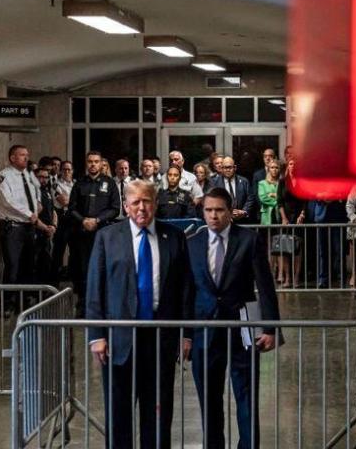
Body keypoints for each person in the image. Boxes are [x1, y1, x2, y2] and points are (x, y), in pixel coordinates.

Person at [86, 179, 191, 449]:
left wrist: (186, 334)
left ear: (155, 203)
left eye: (147, 201)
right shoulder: (107, 238)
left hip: (161, 340)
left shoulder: (174, 238)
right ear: (125, 206)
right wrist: (96, 335)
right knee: (119, 414)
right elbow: (95, 290)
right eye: (135, 202)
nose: (142, 208)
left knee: (157, 412)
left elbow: (185, 291)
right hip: (119, 342)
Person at [186, 187, 280, 449]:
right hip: (204, 331)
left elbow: (265, 285)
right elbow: (187, 292)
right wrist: (185, 334)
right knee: (209, 400)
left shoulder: (249, 240)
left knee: (246, 398)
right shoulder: (192, 244)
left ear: (230, 212)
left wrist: (270, 328)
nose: (213, 216)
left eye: (219, 210)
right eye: (208, 210)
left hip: (243, 330)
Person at [67, 151, 121, 317]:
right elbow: (71, 208)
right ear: (86, 163)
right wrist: (84, 221)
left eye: (96, 162)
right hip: (82, 234)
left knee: (103, 269)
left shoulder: (110, 183)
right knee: (83, 271)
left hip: (103, 234)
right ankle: (83, 306)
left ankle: (103, 306)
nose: (93, 165)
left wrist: (97, 220)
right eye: (90, 161)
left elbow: (115, 208)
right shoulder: (79, 184)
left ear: (100, 163)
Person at [0, 145, 42, 309]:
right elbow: (7, 201)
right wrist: (30, 214)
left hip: (28, 227)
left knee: (28, 266)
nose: (26, 158)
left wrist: (36, 209)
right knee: (12, 267)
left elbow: (33, 196)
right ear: (12, 158)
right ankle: (7, 303)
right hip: (12, 227)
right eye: (22, 155)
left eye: (27, 155)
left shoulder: (27, 175)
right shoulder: (3, 176)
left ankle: (24, 301)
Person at [277, 157, 306, 287]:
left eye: (295, 164)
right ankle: (287, 278)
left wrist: (302, 214)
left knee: (298, 249)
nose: (292, 166)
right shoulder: (282, 182)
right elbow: (279, 202)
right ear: (287, 166)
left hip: (298, 217)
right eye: (290, 164)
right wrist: (283, 218)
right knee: (285, 249)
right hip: (286, 218)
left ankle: (296, 278)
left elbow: (306, 200)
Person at [307, 196, 348, 288]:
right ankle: (323, 279)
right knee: (322, 251)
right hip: (321, 217)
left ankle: (341, 279)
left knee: (339, 250)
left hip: (338, 216)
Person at [32, 167, 58, 284]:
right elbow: (31, 215)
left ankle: (45, 293)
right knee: (34, 264)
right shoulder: (32, 192)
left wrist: (53, 226)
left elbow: (53, 211)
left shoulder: (47, 191)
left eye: (46, 177)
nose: (43, 180)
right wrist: (45, 228)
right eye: (40, 177)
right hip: (36, 232)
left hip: (47, 233)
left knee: (46, 263)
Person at [212, 156, 254, 224]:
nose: (228, 170)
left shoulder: (244, 181)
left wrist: (244, 211)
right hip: (221, 221)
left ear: (235, 168)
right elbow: (212, 201)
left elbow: (250, 198)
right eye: (225, 167)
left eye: (230, 167)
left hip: (242, 221)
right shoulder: (214, 183)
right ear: (222, 168)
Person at [51, 160, 74, 281]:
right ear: (61, 171)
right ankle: (54, 283)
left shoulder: (76, 184)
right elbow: (63, 201)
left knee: (75, 251)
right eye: (64, 169)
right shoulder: (56, 184)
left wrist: (71, 201)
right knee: (58, 251)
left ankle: (73, 281)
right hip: (62, 219)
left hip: (74, 220)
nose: (66, 172)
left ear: (72, 171)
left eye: (69, 169)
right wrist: (75, 201)